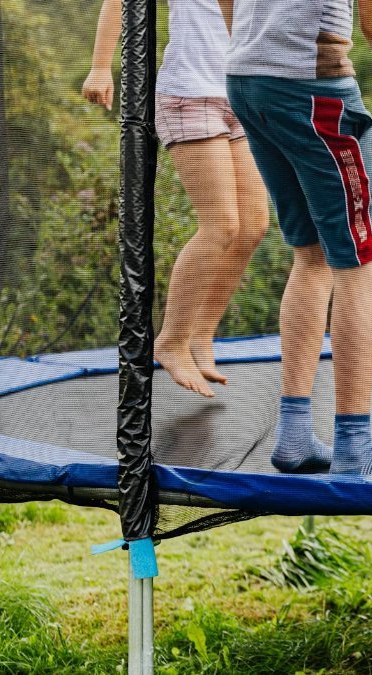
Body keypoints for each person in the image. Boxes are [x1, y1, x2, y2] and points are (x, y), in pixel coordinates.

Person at [218, 0, 372, 475]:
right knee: (361, 257)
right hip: (311, 89)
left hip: (248, 80)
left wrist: (259, 49)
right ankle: (354, 445)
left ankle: (293, 434)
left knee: (311, 253)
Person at [83, 0, 270, 399]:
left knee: (254, 226)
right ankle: (171, 340)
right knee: (221, 226)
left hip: (241, 95)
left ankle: (201, 335)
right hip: (191, 96)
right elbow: (118, 2)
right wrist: (101, 67)